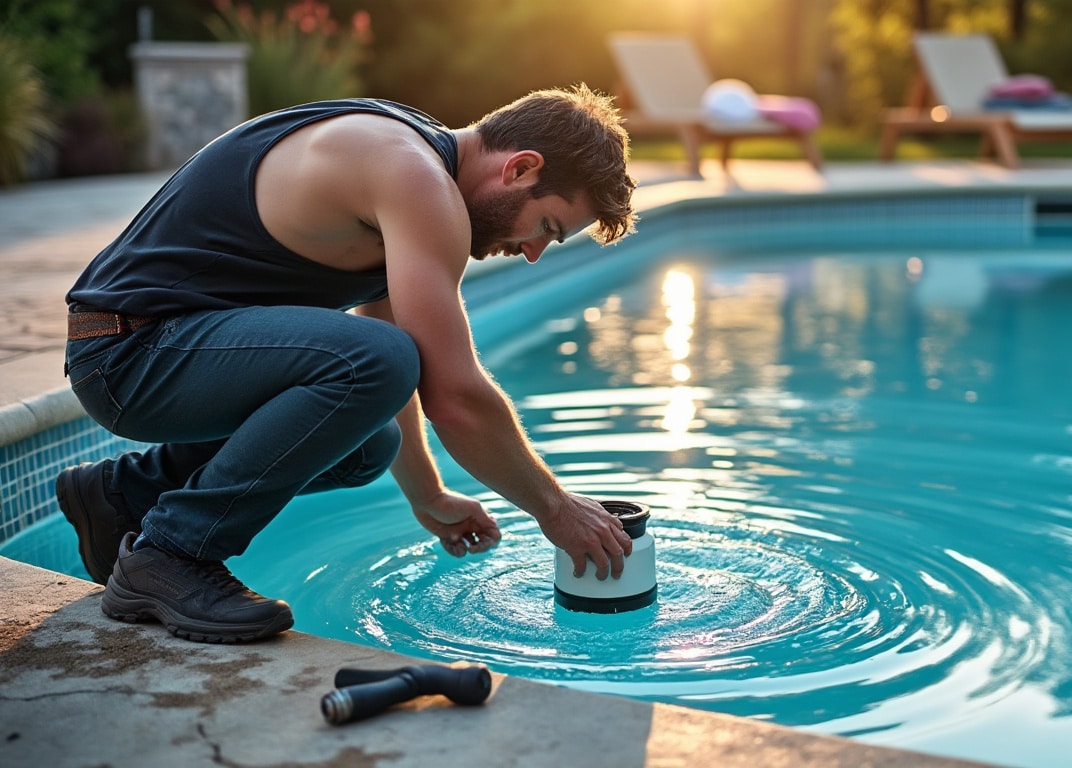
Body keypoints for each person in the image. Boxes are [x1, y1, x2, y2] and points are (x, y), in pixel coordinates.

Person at [56, 85, 639, 644]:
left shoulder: (407, 162)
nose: (534, 252)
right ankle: (171, 553)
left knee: (370, 442)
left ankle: (123, 494)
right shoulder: (413, 175)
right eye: (545, 227)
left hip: (149, 349)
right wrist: (555, 508)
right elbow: (451, 394)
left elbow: (388, 342)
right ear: (520, 169)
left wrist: (428, 495)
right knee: (377, 362)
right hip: (130, 354)